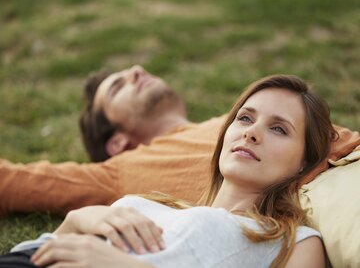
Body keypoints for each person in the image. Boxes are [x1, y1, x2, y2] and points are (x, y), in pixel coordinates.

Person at [1, 74, 332, 268]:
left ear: (306, 160)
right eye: (244, 117)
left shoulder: (294, 240)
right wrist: (77, 219)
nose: (251, 132)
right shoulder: (151, 197)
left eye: (279, 129)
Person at [0, 66, 359, 219]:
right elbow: (15, 182)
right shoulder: (117, 173)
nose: (137, 70)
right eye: (119, 86)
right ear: (117, 141)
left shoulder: (247, 119)